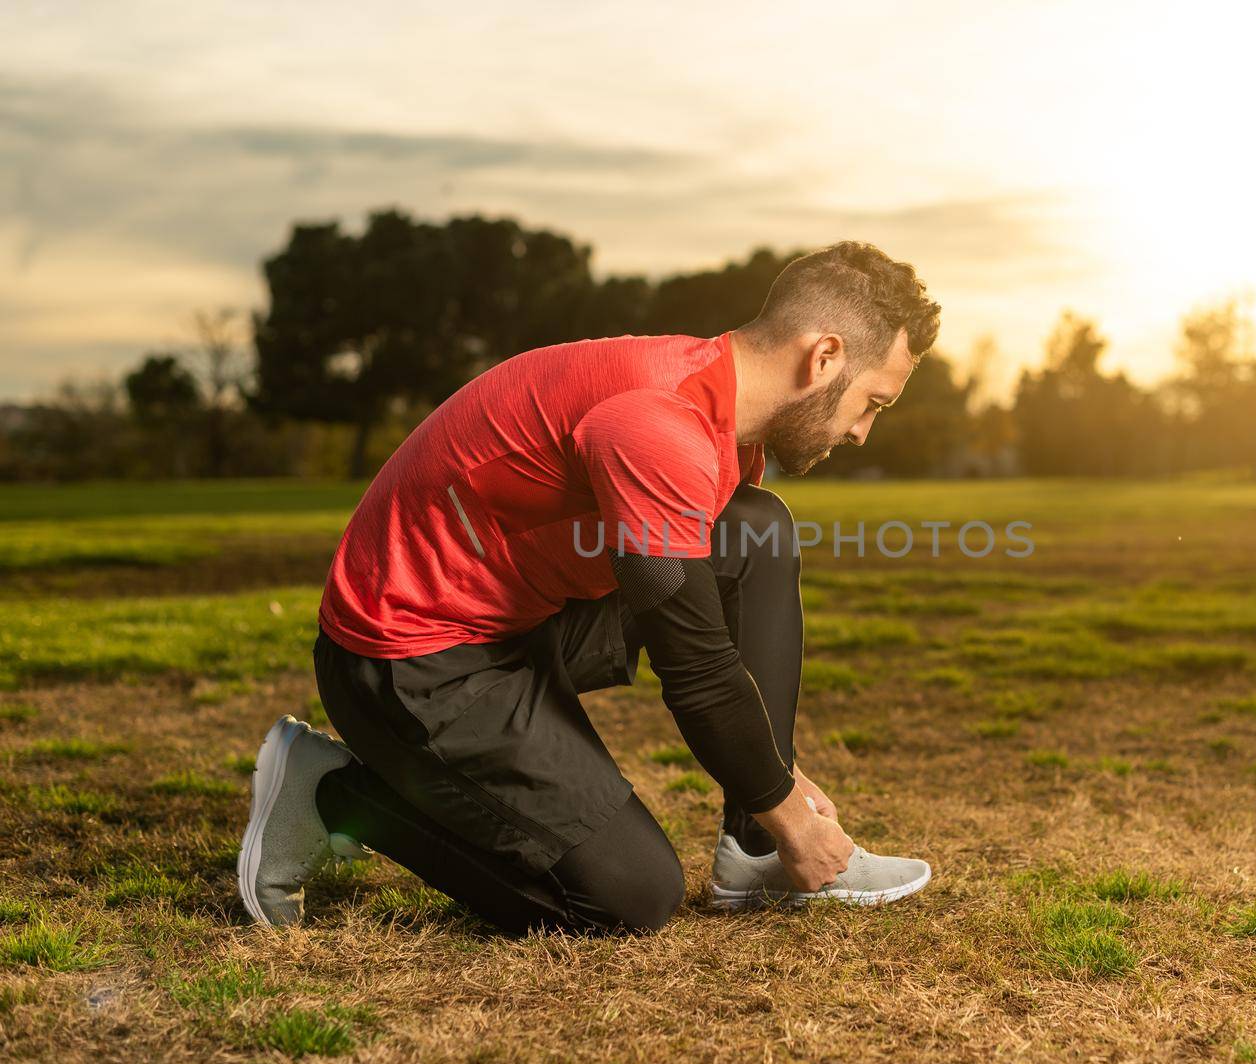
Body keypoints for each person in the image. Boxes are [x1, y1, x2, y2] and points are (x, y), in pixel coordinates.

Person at [236, 241, 940, 934]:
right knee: (631, 896)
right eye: (874, 401)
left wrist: (767, 795)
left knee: (753, 531)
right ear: (824, 358)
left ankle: (753, 855)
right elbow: (695, 664)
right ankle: (332, 794)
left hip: (514, 623)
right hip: (411, 664)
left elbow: (708, 614)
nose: (863, 433)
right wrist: (787, 808)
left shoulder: (727, 420)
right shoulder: (661, 426)